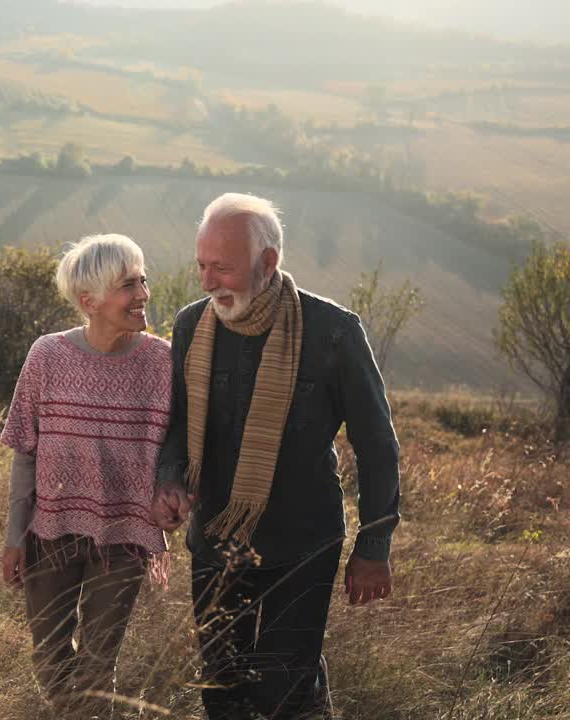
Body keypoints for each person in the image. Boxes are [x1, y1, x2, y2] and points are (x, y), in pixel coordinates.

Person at [152, 193, 401, 719]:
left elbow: (377, 444)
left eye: (223, 268)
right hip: (214, 541)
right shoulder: (191, 325)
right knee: (222, 693)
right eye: (201, 266)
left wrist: (374, 544)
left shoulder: (333, 332)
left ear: (269, 262)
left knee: (282, 692)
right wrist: (171, 480)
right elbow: (175, 423)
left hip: (303, 542)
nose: (207, 282)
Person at [0, 233, 171, 713]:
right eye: (126, 285)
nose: (142, 295)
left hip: (126, 534)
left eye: (142, 280)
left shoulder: (162, 361)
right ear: (88, 300)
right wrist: (15, 536)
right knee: (50, 660)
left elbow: (179, 448)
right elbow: (25, 455)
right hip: (50, 532)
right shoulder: (46, 356)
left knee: (98, 666)